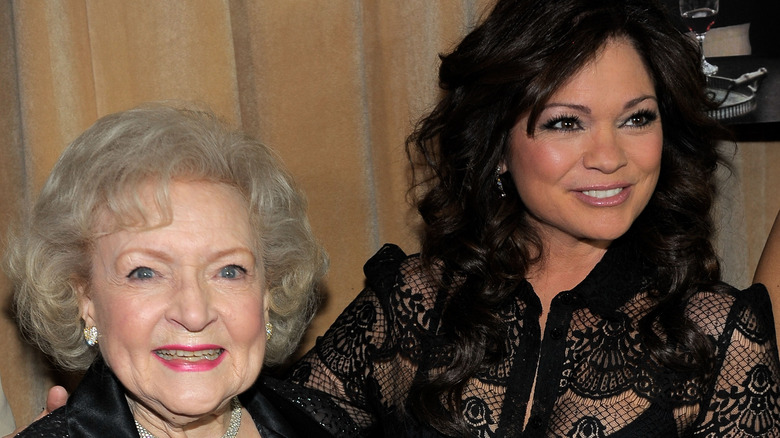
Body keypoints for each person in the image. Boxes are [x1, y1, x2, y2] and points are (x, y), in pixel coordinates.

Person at [271, 0, 780, 436]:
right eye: (565, 123)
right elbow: (278, 422)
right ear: (498, 147)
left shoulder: (716, 335)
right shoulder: (412, 300)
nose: (609, 156)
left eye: (637, 118)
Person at [4, 104, 344, 437]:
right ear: (86, 301)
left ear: (267, 294)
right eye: (145, 273)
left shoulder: (321, 423)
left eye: (229, 271)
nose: (194, 313)